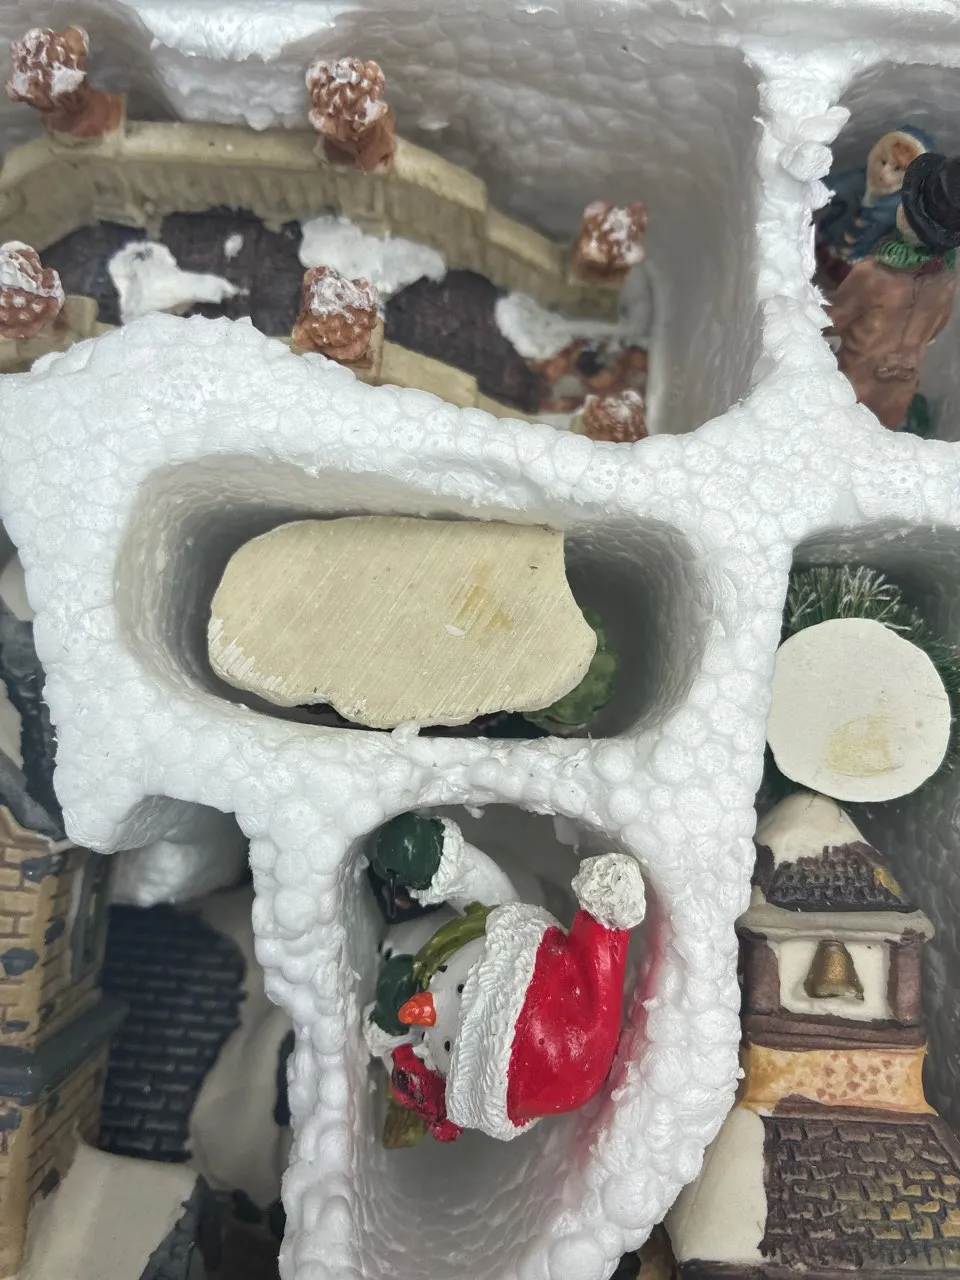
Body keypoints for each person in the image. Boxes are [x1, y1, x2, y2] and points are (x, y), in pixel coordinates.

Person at [828, 151, 960, 430]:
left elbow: (833, 320)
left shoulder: (874, 274)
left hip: (854, 379)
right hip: (902, 387)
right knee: (886, 431)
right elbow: (935, 328)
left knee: (844, 428)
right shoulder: (948, 279)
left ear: (907, 217)